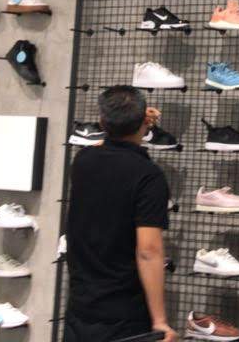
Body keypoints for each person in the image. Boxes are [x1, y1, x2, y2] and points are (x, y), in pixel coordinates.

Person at [64, 85, 177, 342]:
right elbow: (148, 251)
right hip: (124, 314)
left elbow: (105, 147)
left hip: (80, 307)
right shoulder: (149, 177)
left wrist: (130, 121)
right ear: (144, 124)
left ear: (102, 122)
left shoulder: (82, 161)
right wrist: (160, 321)